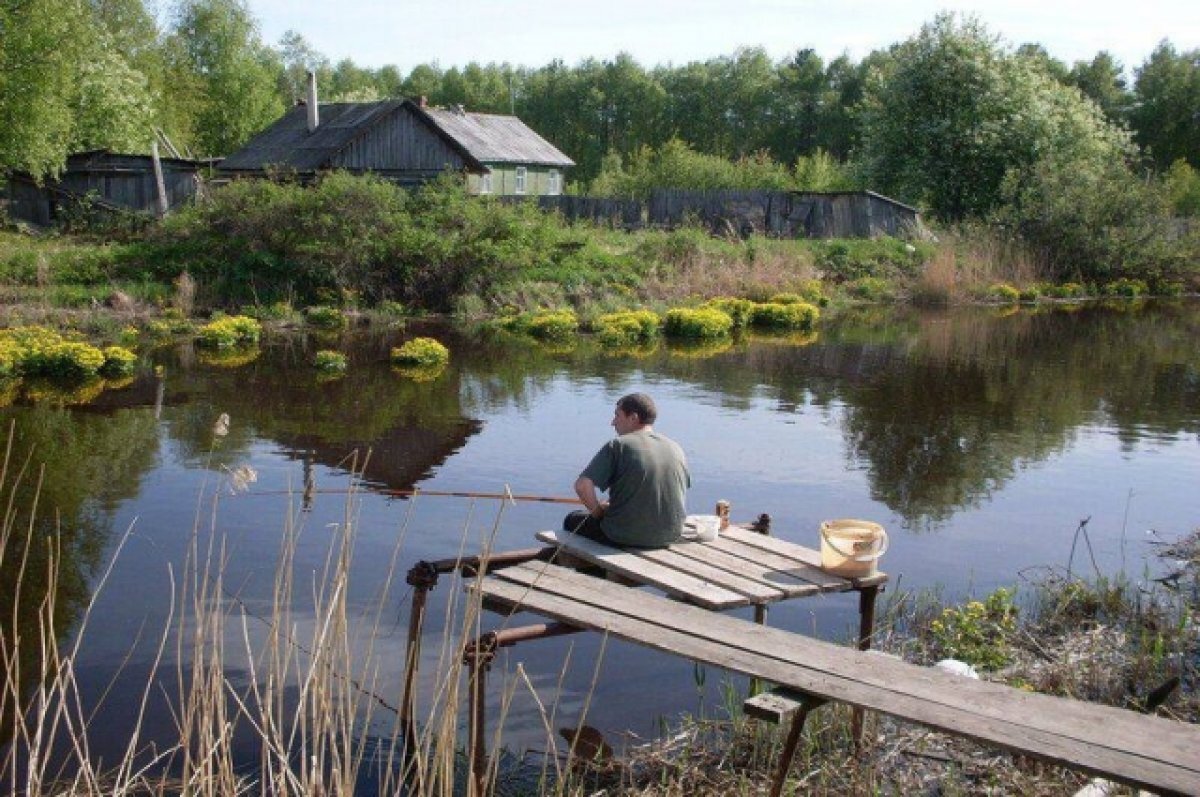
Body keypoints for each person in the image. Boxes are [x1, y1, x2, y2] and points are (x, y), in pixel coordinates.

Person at [564, 393, 690, 548]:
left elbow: (582, 486)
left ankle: (596, 569)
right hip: (671, 534)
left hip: (624, 535)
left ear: (633, 418)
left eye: (617, 415)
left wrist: (598, 512)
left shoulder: (618, 445)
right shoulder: (675, 447)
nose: (613, 422)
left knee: (571, 519)